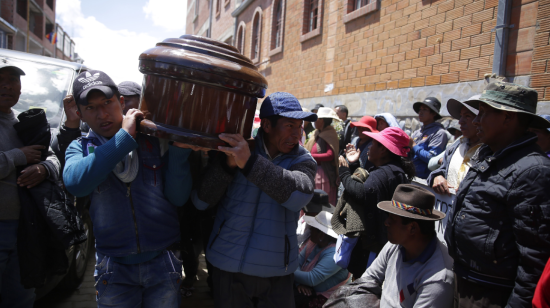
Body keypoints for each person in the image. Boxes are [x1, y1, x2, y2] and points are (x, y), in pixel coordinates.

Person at [63, 70, 193, 308]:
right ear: (80, 114)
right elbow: (76, 185)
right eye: (91, 108)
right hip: (114, 266)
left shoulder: (152, 140)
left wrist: (179, 151)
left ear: (120, 102)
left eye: (107, 102)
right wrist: (123, 138)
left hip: (162, 259)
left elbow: (178, 197)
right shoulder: (80, 148)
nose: (102, 114)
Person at [191, 91, 318, 308]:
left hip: (278, 271)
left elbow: (297, 197)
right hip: (228, 264)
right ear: (267, 125)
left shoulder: (303, 160)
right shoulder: (239, 149)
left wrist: (249, 164)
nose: (297, 134)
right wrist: (227, 167)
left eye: (300, 126)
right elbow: (201, 201)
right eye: (289, 125)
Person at [444, 82, 550, 308]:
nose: (475, 120)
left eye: (483, 113)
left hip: (492, 293)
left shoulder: (532, 171)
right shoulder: (487, 155)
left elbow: (534, 259)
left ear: (508, 118)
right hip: (465, 279)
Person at [0, 63, 61, 307]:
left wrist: (43, 169)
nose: (7, 85)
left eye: (13, 79)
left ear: (21, 89)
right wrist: (17, 156)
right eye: (1, 79)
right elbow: (22, 154)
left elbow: (54, 159)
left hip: (25, 229)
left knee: (22, 297)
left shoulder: (25, 125)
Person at [335, 127, 415, 278]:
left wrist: (344, 173)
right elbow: (370, 190)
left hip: (372, 245)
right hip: (385, 240)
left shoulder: (382, 174)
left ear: (383, 150)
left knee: (366, 284)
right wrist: (354, 165)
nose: (369, 147)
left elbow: (361, 193)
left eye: (374, 144)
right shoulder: (395, 171)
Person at [361, 184, 454, 307]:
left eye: (392, 219)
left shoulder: (438, 278)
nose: (386, 222)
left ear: (412, 228)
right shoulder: (395, 245)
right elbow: (367, 280)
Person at [427, 95, 482, 195]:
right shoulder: (456, 146)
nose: (460, 121)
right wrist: (436, 177)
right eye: (461, 116)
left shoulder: (492, 151)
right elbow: (442, 169)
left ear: (481, 119)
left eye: (467, 116)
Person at [294, 211, 350, 308]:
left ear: (322, 234)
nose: (310, 230)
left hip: (328, 298)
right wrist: (299, 283)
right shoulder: (314, 243)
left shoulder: (335, 254)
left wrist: (286, 272)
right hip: (309, 290)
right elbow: (297, 262)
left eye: (313, 229)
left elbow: (312, 279)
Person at [305, 107, 341, 205]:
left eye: (317, 119)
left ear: (322, 120)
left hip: (323, 173)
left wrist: (310, 156)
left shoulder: (330, 134)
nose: (314, 122)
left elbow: (330, 155)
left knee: (322, 203)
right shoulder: (316, 133)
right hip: (314, 171)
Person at [410, 97, 448, 179]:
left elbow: (432, 159)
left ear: (434, 113)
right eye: (420, 109)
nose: (420, 112)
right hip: (411, 176)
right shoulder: (417, 132)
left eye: (424, 109)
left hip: (424, 180)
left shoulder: (439, 133)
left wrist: (413, 145)